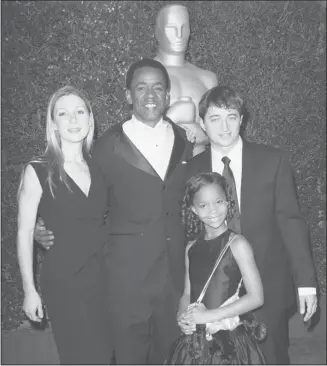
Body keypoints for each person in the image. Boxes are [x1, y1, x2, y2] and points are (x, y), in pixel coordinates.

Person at [34, 59, 194, 364]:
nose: (150, 94)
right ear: (127, 95)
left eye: (158, 87)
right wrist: (49, 225)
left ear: (168, 96)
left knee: (171, 355)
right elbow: (85, 201)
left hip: (173, 277)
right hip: (124, 279)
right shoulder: (106, 146)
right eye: (141, 87)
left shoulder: (184, 140)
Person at [186, 85, 318, 364]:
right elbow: (185, 231)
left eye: (231, 117)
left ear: (242, 119)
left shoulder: (273, 161)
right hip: (212, 295)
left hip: (267, 291)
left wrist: (306, 283)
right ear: (201, 123)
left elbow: (291, 223)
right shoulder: (190, 169)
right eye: (214, 118)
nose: (224, 127)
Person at [16, 86, 112, 365]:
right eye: (63, 113)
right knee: (79, 357)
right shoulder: (38, 169)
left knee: (107, 356)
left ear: (90, 120)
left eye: (79, 112)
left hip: (105, 277)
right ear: (54, 124)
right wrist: (29, 289)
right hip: (65, 281)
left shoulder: (101, 167)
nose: (72, 119)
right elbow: (24, 231)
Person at [165, 172, 267, 364]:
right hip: (194, 344)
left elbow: (256, 297)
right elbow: (187, 294)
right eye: (203, 205)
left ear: (228, 202)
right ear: (194, 210)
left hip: (229, 343)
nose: (213, 211)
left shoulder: (237, 244)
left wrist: (207, 316)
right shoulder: (191, 248)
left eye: (218, 202)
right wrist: (182, 317)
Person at [154, 3, 218, 156]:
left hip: (200, 169)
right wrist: (173, 117)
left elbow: (219, 130)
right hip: (158, 168)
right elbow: (137, 131)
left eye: (184, 27)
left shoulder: (207, 78)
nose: (179, 34)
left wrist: (196, 133)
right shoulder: (143, 76)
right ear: (158, 32)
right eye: (171, 27)